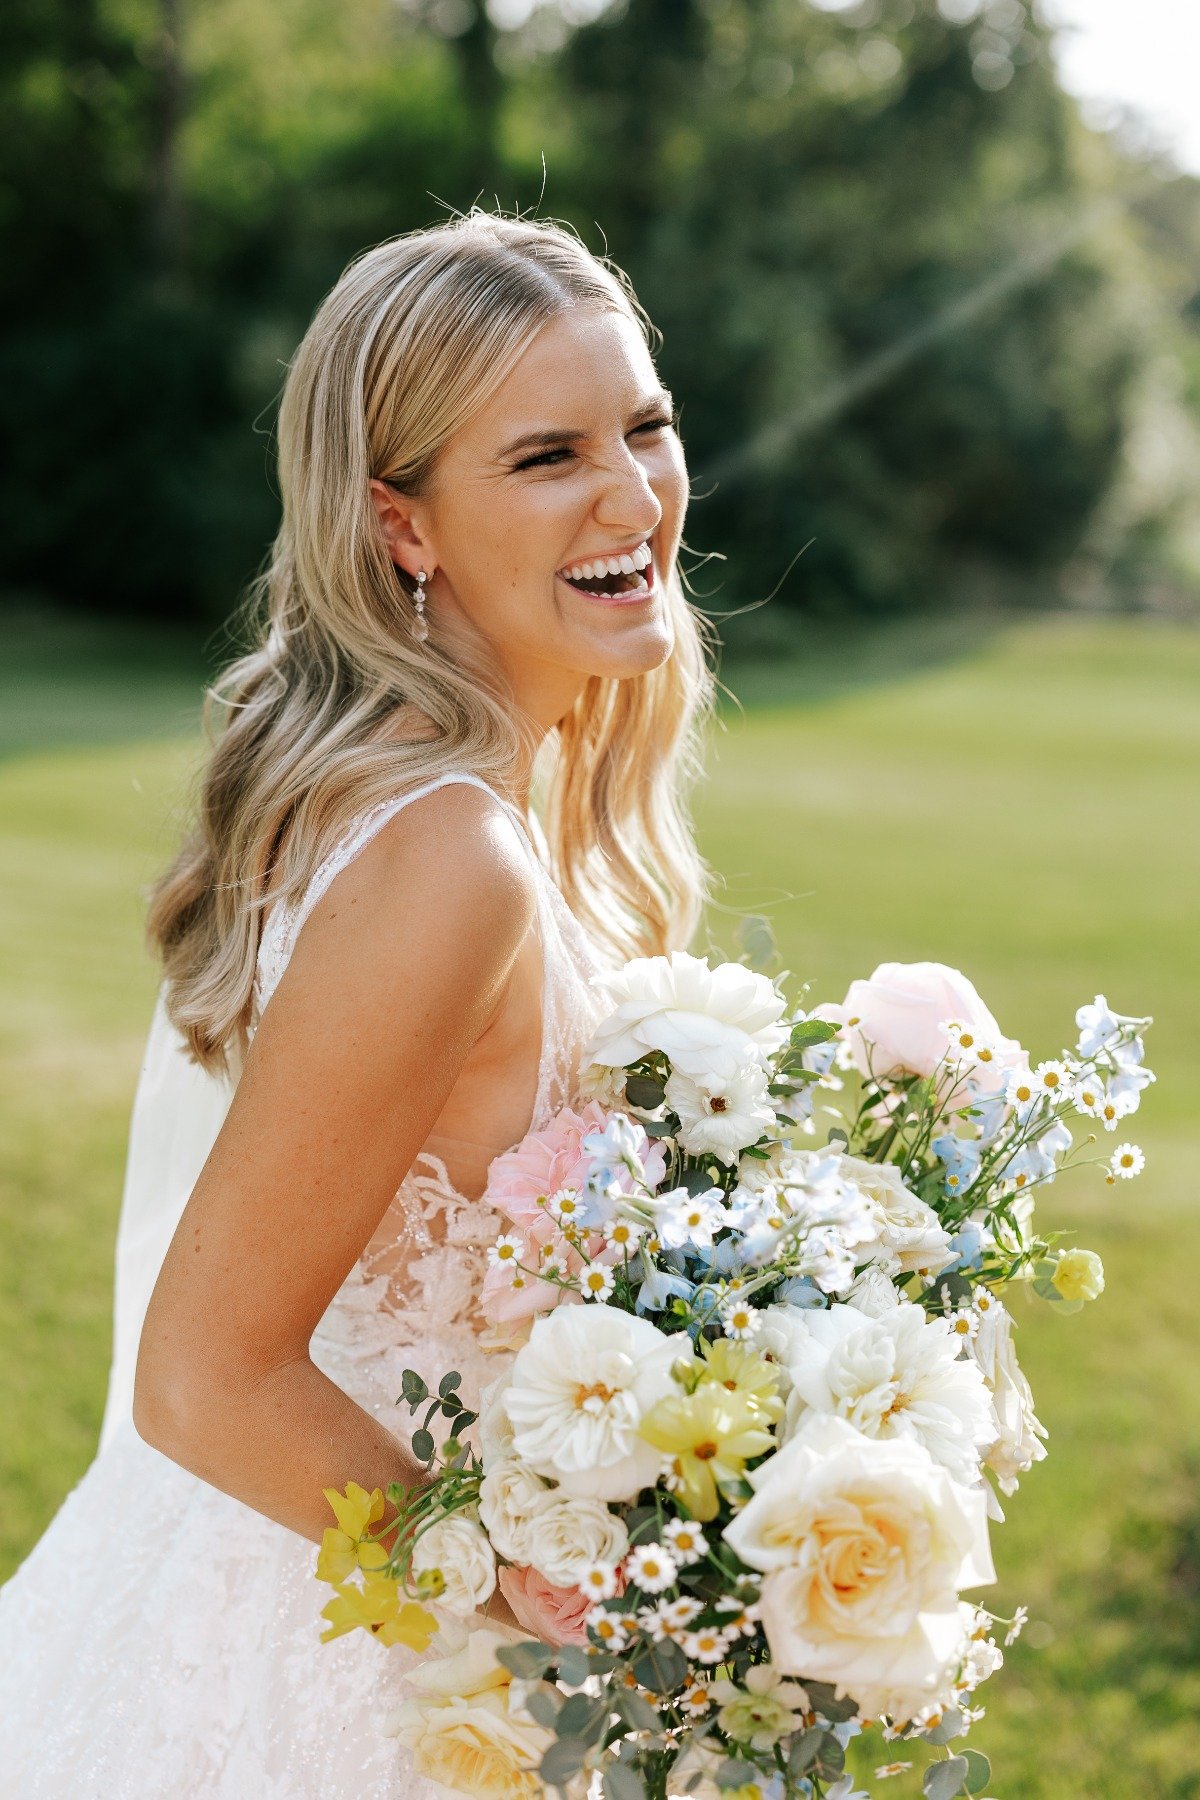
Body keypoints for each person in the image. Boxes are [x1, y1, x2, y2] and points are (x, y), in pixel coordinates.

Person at [0, 208, 717, 1794]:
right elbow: (204, 1375)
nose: (632, 494)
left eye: (646, 426)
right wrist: (513, 1590)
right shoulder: (447, 852)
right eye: (544, 457)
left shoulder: (425, 803)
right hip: (346, 1655)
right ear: (403, 527)